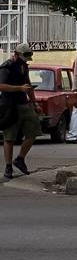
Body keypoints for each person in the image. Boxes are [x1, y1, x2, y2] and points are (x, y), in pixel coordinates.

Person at [1, 43, 38, 179]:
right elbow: (1, 86)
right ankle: (8, 166)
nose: (24, 61)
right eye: (23, 58)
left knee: (34, 130)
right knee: (9, 137)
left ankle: (20, 159)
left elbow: (28, 85)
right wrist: (19, 88)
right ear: (16, 54)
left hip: (24, 103)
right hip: (9, 105)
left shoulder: (24, 66)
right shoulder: (6, 67)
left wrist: (35, 103)